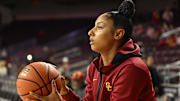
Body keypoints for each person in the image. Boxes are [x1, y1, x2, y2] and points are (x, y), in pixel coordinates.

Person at [26, 0, 156, 101]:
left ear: (118, 34)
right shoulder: (95, 66)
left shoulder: (132, 69)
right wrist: (65, 93)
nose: (90, 32)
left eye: (99, 27)